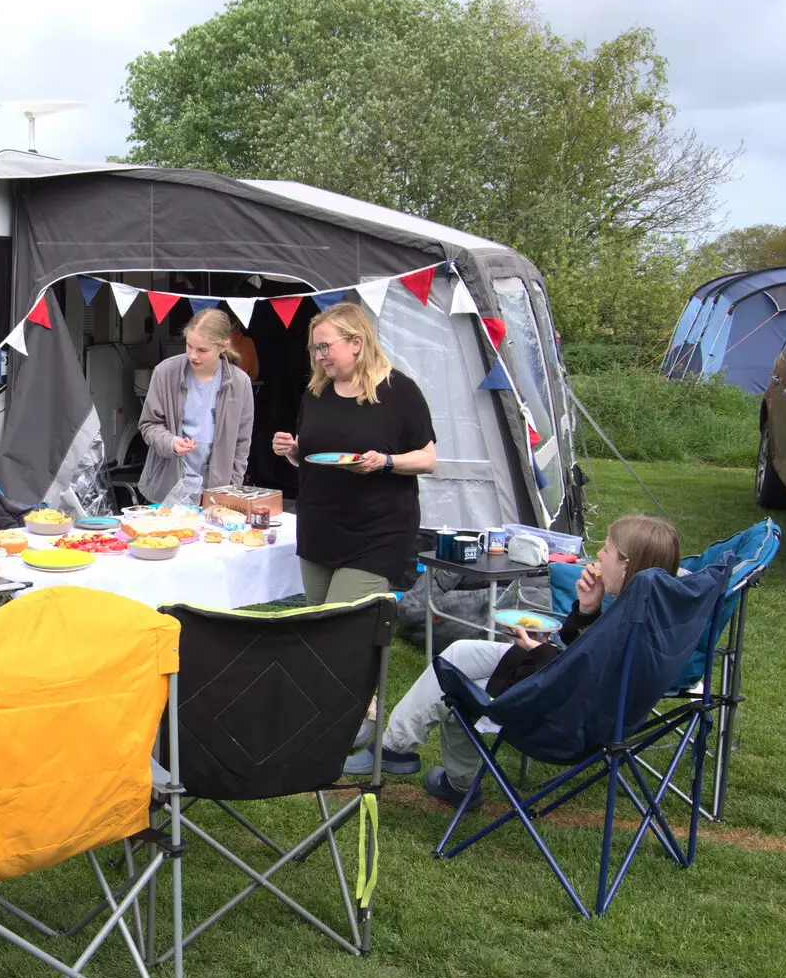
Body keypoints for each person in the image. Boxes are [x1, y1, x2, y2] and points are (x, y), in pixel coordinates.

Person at [346, 515, 681, 808]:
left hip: (565, 719)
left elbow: (579, 680)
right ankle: (397, 750)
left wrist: (534, 649)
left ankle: (447, 777)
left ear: (626, 564)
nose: (598, 555)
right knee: (460, 653)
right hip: (559, 682)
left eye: (606, 549)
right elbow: (580, 658)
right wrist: (586, 610)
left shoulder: (629, 626)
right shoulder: (643, 610)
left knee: (456, 690)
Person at [273, 301, 436, 604]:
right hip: (318, 529)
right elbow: (309, 458)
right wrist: (292, 450)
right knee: (317, 626)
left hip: (375, 534)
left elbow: (428, 459)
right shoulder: (317, 392)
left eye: (325, 347)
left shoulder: (399, 391)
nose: (319, 357)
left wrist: (386, 462)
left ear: (356, 343)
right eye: (314, 349)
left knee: (342, 626)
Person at [137, 308, 255, 504]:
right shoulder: (165, 372)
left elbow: (242, 443)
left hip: (218, 492)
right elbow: (149, 424)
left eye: (202, 350)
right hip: (167, 488)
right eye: (189, 346)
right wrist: (171, 442)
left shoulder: (240, 382)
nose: (193, 355)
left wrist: (232, 488)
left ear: (223, 346)